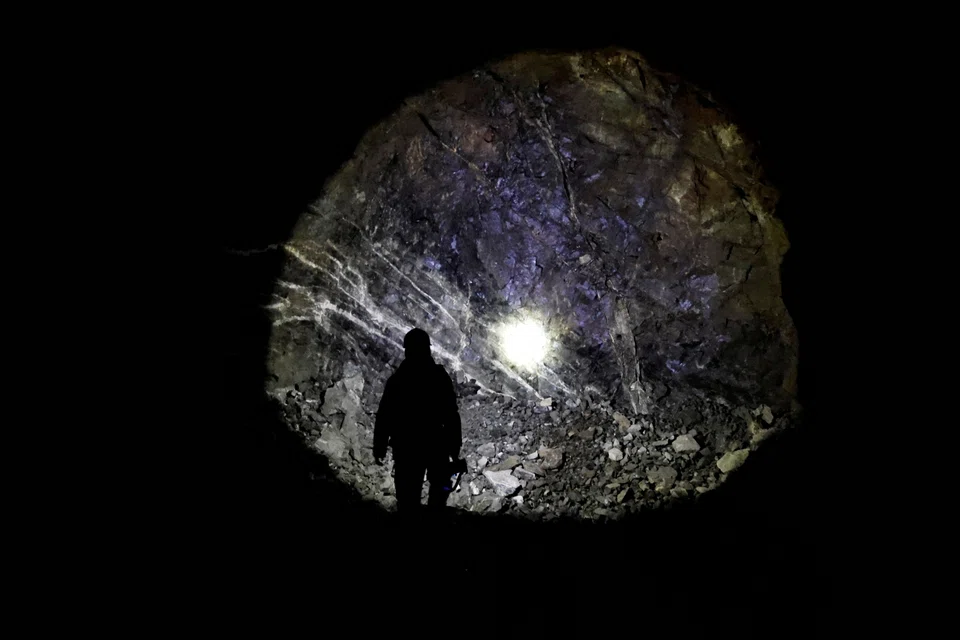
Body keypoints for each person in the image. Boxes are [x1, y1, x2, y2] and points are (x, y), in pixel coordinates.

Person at [374, 328, 462, 514]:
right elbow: (451, 414)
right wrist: (454, 447)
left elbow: (385, 415)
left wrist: (379, 446)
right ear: (427, 349)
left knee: (408, 499)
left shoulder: (397, 380)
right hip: (434, 443)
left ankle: (410, 531)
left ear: (407, 350)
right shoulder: (438, 377)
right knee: (439, 491)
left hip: (407, 446)